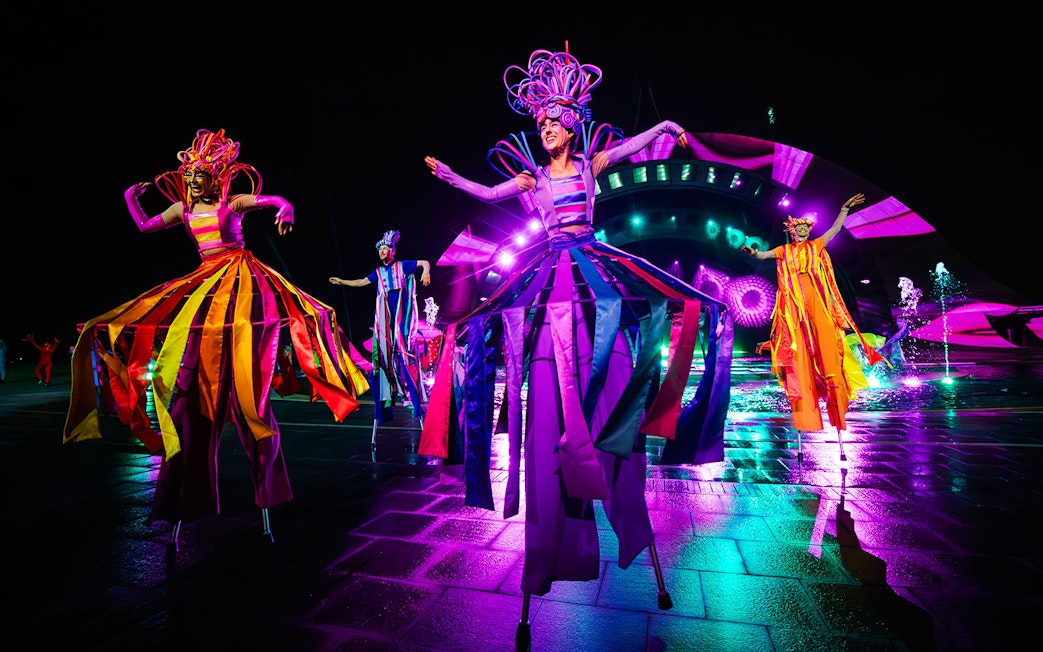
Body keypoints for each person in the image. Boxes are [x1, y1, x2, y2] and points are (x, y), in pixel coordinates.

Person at [420, 47, 733, 607]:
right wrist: (451, 178)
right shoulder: (529, 180)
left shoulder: (591, 167)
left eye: (552, 121)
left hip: (591, 271)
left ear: (571, 124)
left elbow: (635, 147)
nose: (544, 129)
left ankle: (623, 496)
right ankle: (553, 540)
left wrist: (663, 124)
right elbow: (488, 194)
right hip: (550, 272)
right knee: (544, 382)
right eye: (539, 122)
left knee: (611, 374)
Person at [63, 128, 370, 534]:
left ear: (216, 176)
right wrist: (129, 198)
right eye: (189, 175)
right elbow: (144, 226)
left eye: (200, 175)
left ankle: (268, 482)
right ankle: (187, 494)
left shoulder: (231, 203)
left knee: (250, 396)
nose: (193, 180)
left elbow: (272, 200)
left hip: (243, 283)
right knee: (191, 389)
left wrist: (286, 207)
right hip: (207, 287)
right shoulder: (182, 211)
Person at [741, 192, 885, 435]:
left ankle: (832, 378)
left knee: (824, 338)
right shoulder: (784, 250)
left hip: (815, 298)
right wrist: (753, 253)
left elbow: (835, 230)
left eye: (806, 228)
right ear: (792, 231)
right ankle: (804, 381)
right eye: (799, 228)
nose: (803, 231)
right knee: (796, 341)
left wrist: (843, 210)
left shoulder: (816, 246)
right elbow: (765, 255)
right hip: (796, 302)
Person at [329, 229, 431, 424]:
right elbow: (361, 282)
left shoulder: (403, 265)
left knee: (403, 348)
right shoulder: (378, 272)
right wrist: (342, 281)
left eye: (385, 249)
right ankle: (386, 402)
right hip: (384, 313)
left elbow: (424, 262)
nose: (382, 252)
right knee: (383, 354)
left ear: (392, 251)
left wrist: (426, 273)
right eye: (380, 250)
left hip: (401, 310)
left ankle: (413, 394)